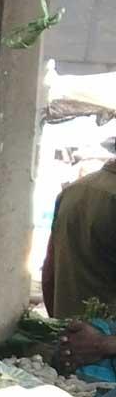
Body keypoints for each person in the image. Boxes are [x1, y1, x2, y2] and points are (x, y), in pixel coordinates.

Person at [45, 159, 116, 374]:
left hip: (70, 358)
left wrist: (68, 336)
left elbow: (49, 275)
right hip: (105, 363)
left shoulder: (75, 191)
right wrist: (104, 343)